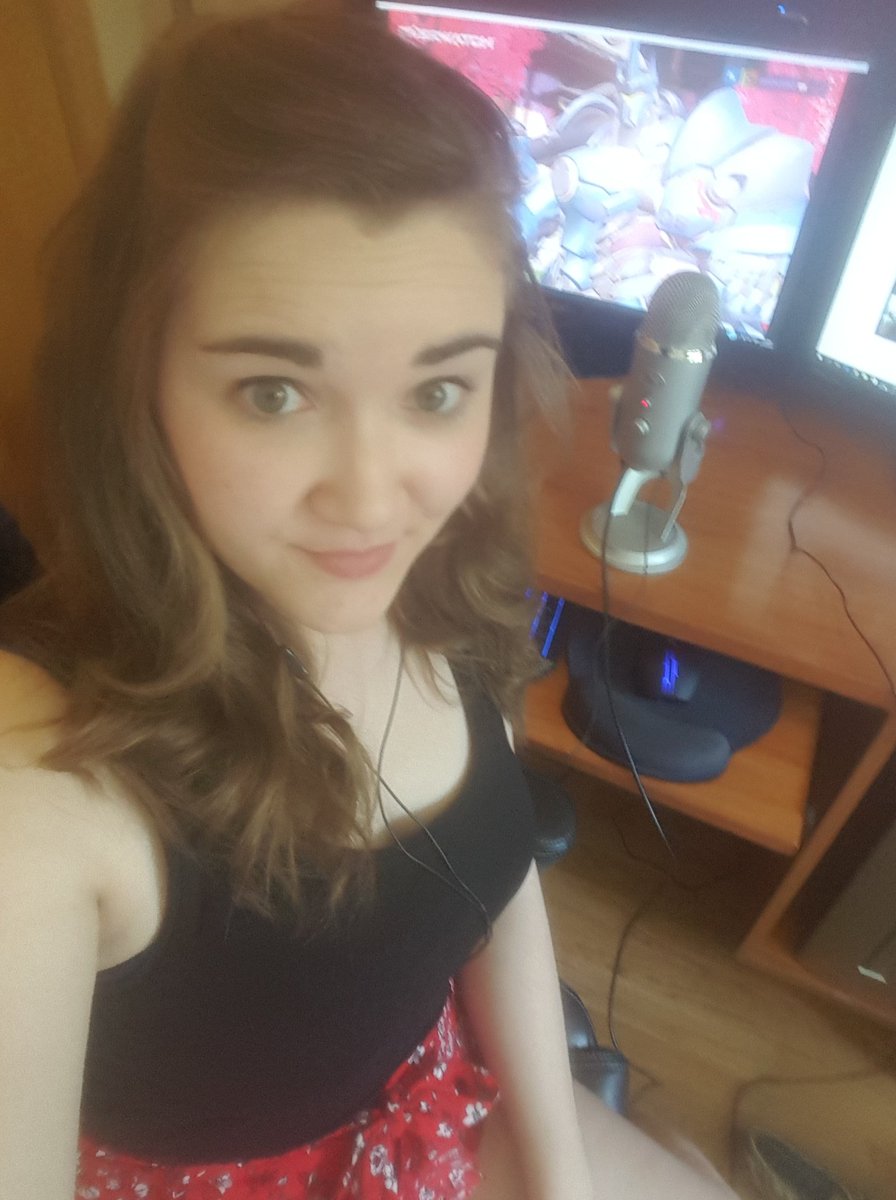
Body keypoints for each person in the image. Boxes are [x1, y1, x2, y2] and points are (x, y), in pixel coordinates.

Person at [0, 4, 738, 1198]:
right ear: (136, 384)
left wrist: (559, 1172)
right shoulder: (37, 787)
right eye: (274, 392)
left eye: (437, 392)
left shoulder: (444, 589)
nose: (371, 498)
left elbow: (492, 878)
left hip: (434, 1108)